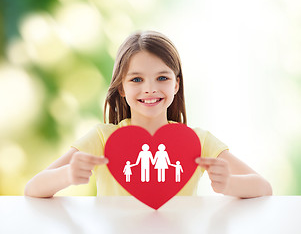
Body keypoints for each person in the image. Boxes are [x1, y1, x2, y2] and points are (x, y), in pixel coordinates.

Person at [24, 30, 273, 198]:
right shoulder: (102, 138)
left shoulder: (199, 141)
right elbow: (33, 189)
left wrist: (229, 183)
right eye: (137, 79)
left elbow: (263, 187)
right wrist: (67, 175)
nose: (150, 89)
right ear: (121, 87)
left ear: (176, 84)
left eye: (162, 78)